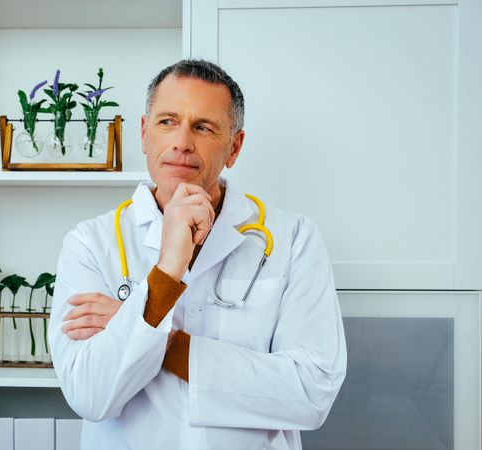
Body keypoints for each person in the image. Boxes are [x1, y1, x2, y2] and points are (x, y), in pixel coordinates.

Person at [48, 59, 346, 450]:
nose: (182, 143)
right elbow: (90, 394)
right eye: (167, 121)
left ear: (234, 147)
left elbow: (311, 393)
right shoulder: (90, 243)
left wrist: (158, 338)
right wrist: (167, 271)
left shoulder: (294, 238)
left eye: (203, 127)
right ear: (143, 133)